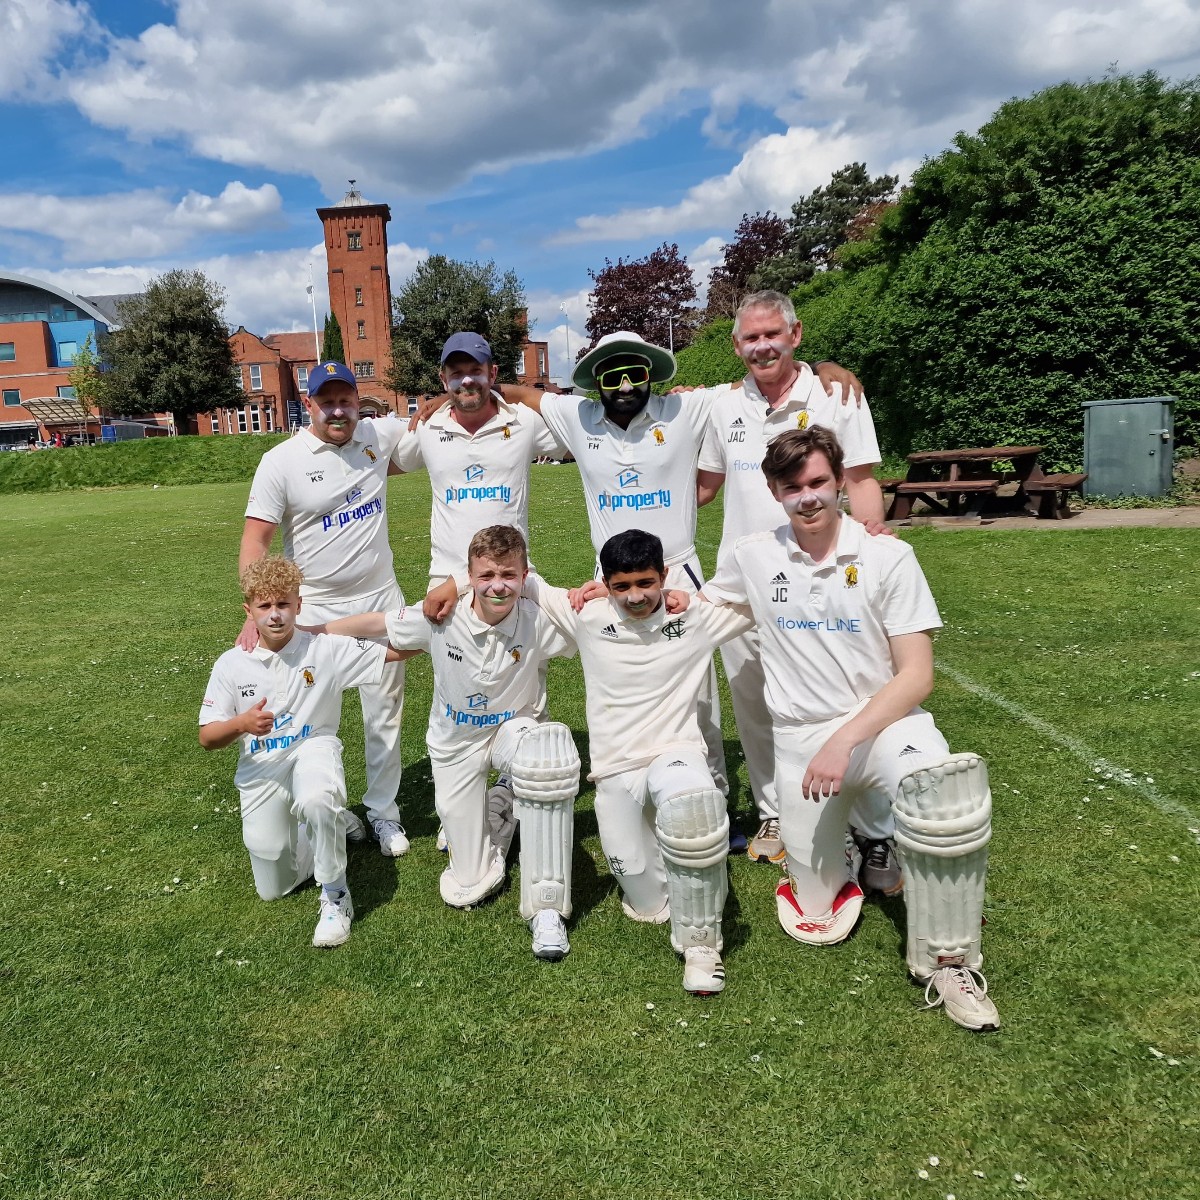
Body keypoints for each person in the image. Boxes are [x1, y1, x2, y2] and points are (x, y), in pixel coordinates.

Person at [702, 427, 1000, 1030]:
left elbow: (916, 676)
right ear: (773, 491)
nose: (808, 498)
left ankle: (949, 960)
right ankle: (846, 845)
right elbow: (705, 608)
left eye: (818, 483)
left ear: (840, 480)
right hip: (800, 740)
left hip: (884, 726)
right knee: (816, 913)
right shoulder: (754, 556)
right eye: (793, 488)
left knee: (944, 793)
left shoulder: (888, 555)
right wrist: (620, 594)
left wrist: (845, 739)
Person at [693, 290, 892, 876]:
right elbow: (702, 489)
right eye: (750, 338)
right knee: (754, 702)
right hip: (743, 581)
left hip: (826, 574)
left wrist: (875, 540)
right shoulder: (721, 406)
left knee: (849, 694)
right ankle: (774, 809)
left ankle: (867, 820)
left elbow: (859, 478)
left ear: (795, 335)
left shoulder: (835, 391)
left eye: (771, 334)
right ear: (736, 346)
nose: (762, 346)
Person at [317, 526, 581, 961]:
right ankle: (503, 803)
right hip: (455, 745)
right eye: (487, 575)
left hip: (515, 731)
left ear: (525, 575)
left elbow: (601, 625)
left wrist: (593, 596)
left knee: (546, 761)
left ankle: (547, 908)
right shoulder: (441, 615)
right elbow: (375, 624)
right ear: (470, 576)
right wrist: (312, 630)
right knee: (466, 885)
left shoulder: (537, 618)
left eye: (509, 575)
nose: (498, 586)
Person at [531, 529, 754, 996]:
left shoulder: (694, 616)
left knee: (692, 807)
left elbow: (762, 600)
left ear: (664, 575)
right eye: (622, 586)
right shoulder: (586, 616)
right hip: (615, 769)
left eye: (646, 583)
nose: (636, 596)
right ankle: (682, 873)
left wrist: (692, 596)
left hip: (677, 752)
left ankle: (701, 947)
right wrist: (453, 585)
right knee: (646, 899)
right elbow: (524, 579)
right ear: (605, 583)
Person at [239, 361, 410, 858]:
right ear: (309, 405)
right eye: (327, 401)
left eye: (346, 400)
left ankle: (383, 814)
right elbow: (257, 539)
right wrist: (254, 611)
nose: (338, 410)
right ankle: (326, 810)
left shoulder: (375, 437)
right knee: (310, 717)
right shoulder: (281, 460)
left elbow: (434, 423)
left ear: (359, 402)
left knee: (384, 717)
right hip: (315, 607)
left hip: (380, 596)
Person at [198, 557, 406, 948]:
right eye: (264, 606)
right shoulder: (231, 664)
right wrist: (241, 724)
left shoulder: (324, 648)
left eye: (283, 604)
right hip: (262, 769)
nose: (275, 615)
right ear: (248, 611)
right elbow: (208, 738)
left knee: (316, 797)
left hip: (314, 748)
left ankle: (335, 895)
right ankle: (331, 824)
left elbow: (396, 651)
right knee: (272, 888)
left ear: (298, 605)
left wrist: (445, 628)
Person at [395, 333, 565, 606]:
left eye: (476, 371)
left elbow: (582, 444)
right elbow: (380, 463)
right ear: (443, 378)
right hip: (445, 583)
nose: (466, 380)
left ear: (493, 373)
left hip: (509, 577)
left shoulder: (523, 421)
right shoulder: (427, 426)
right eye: (456, 373)